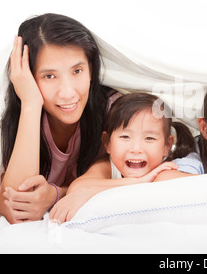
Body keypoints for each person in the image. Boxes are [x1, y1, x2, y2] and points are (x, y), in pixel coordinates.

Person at [0, 13, 119, 223]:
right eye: (49, 76)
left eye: (77, 71)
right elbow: (14, 209)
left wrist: (54, 194)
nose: (68, 92)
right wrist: (31, 104)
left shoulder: (112, 110)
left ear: (91, 70)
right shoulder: (12, 116)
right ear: (27, 77)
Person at [49, 92, 195, 223]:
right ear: (107, 143)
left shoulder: (164, 170)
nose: (136, 149)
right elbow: (76, 188)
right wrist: (139, 181)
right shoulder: (108, 166)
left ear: (166, 146)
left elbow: (189, 188)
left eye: (149, 138)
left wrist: (90, 192)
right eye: (125, 136)